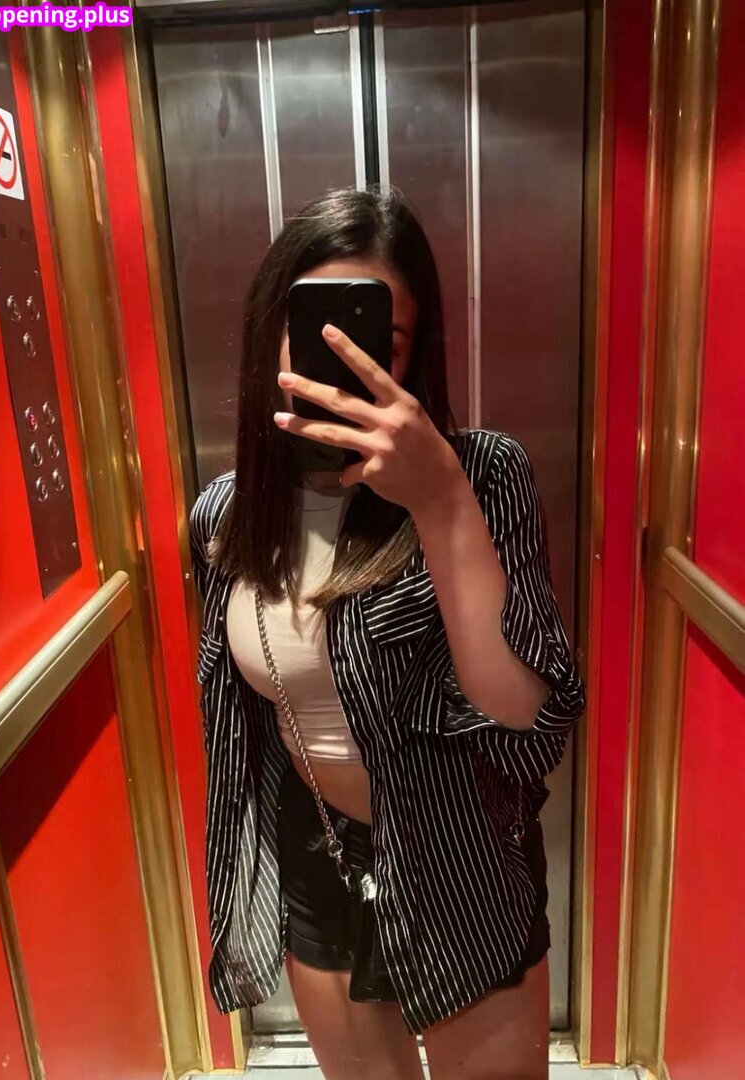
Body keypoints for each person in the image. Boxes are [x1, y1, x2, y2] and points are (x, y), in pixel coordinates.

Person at [189, 188, 585, 1080]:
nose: (340, 362)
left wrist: (439, 502)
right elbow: (245, 734)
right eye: (311, 331)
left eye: (377, 340)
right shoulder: (223, 518)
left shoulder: (481, 476)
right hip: (319, 858)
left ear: (412, 355)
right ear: (269, 336)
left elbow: (526, 726)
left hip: (460, 862)